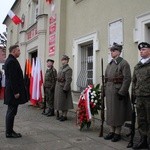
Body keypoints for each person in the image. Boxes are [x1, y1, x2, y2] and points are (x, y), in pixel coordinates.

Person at [104, 42, 132, 142]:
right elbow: (106, 79)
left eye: (113, 50)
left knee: (118, 113)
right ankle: (111, 131)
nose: (111, 52)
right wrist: (104, 90)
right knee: (111, 112)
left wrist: (122, 92)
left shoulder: (124, 63)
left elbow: (127, 79)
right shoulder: (110, 64)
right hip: (109, 91)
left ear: (119, 52)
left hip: (118, 91)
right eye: (111, 50)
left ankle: (117, 133)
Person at [4, 45, 28, 138]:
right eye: (18, 50)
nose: (20, 52)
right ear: (14, 51)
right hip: (13, 93)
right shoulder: (11, 61)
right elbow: (12, 79)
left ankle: (10, 130)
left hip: (12, 91)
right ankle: (9, 133)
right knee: (11, 111)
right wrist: (16, 92)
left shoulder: (11, 60)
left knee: (11, 111)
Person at [132, 42, 150, 149]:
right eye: (140, 50)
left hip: (149, 97)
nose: (141, 51)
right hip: (139, 97)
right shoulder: (137, 66)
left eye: (143, 49)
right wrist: (133, 95)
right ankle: (143, 140)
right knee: (141, 120)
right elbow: (134, 82)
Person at [54, 55, 74, 121]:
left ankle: (64, 115)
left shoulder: (68, 69)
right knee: (60, 102)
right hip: (58, 87)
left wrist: (65, 88)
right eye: (62, 60)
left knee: (65, 102)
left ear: (67, 61)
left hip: (64, 87)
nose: (63, 61)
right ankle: (62, 114)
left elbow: (68, 80)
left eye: (65, 60)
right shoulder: (61, 68)